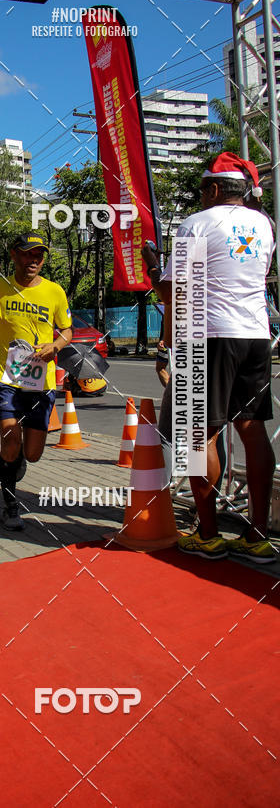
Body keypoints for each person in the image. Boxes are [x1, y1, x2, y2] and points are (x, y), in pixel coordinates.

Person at [144, 152, 276, 563]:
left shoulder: (197, 223)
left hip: (208, 335)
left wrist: (154, 269)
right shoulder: (265, 225)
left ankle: (208, 534)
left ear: (215, 189)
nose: (201, 197)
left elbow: (173, 293)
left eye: (202, 190)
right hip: (256, 334)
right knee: (252, 430)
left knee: (198, 438)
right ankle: (257, 537)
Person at [0, 233, 73, 531]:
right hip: (7, 378)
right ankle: (10, 503)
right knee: (11, 441)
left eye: (39, 255)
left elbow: (67, 330)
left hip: (41, 383)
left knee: (32, 454)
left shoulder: (54, 291)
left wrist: (56, 345)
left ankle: (16, 460)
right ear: (14, 255)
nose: (33, 260)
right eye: (27, 253)